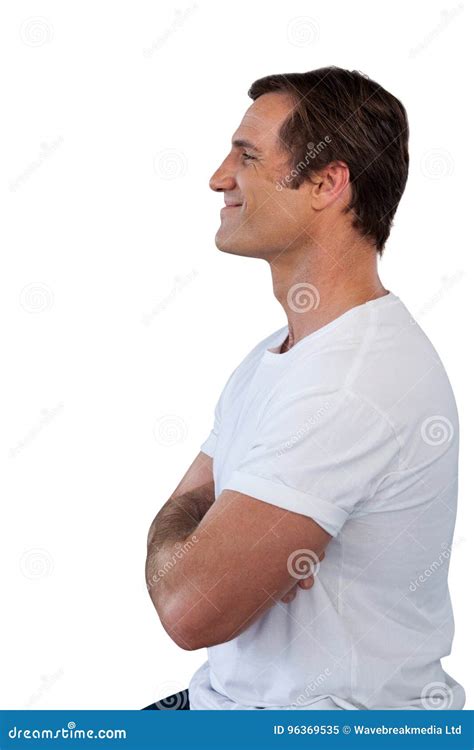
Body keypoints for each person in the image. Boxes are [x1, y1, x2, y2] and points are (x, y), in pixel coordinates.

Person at [144, 66, 465, 711]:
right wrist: (209, 538)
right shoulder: (278, 358)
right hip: (227, 705)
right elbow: (188, 520)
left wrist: (213, 540)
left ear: (327, 182)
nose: (219, 177)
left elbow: (188, 609)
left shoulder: (352, 381)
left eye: (248, 155)